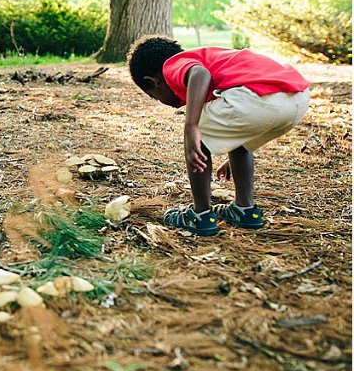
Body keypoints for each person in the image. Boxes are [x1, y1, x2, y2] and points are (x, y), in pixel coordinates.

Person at [127, 35, 311, 235]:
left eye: (154, 97)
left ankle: (201, 215)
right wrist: (234, 151)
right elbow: (252, 115)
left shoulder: (172, 65)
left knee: (198, 138)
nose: (160, 101)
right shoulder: (210, 57)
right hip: (297, 99)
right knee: (230, 129)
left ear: (154, 82)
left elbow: (199, 74)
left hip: (256, 98)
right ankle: (245, 210)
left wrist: (191, 126)